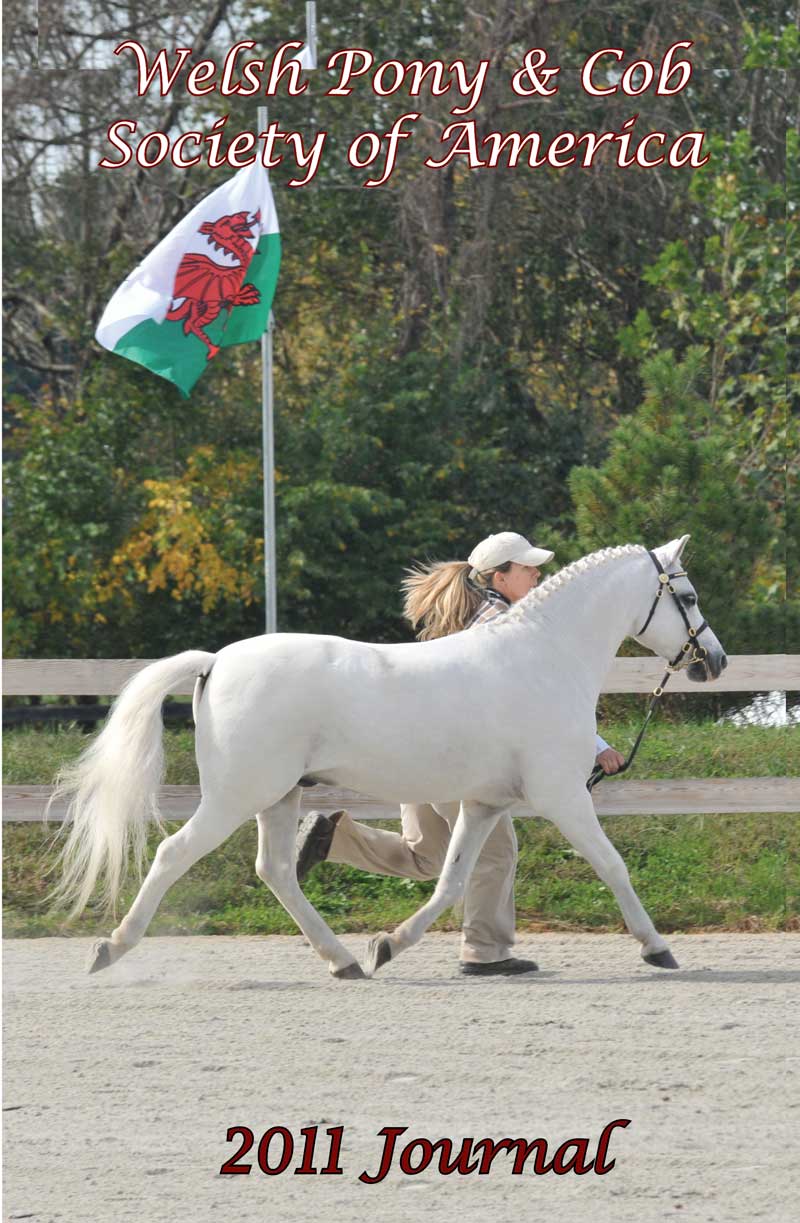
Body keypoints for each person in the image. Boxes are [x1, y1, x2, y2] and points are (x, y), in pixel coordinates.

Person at [295, 531, 625, 976]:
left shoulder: (486, 619)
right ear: (500, 576)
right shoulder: (503, 629)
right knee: (496, 853)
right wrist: (596, 745)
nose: (537, 574)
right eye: (527, 568)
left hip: (419, 752)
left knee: (426, 856)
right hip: (455, 762)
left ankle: (332, 838)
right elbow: (539, 703)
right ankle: (485, 951)